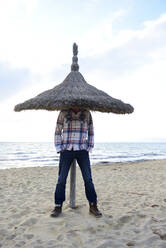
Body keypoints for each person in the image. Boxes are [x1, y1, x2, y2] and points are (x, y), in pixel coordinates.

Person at [51, 107, 102, 217]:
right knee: (61, 179)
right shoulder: (63, 112)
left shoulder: (87, 113)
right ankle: (58, 205)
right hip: (66, 150)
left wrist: (89, 147)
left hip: (82, 149)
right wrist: (59, 148)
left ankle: (93, 205)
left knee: (88, 179)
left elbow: (91, 131)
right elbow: (57, 131)